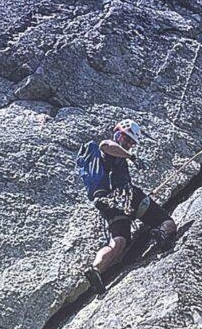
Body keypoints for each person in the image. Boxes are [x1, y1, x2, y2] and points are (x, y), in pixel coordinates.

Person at [76, 119, 177, 297]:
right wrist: (132, 157)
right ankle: (160, 234)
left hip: (107, 204)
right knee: (166, 221)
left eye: (131, 142)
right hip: (126, 196)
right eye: (126, 138)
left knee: (118, 242)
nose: (128, 144)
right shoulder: (110, 148)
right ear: (117, 134)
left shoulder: (108, 160)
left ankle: (95, 269)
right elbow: (105, 145)